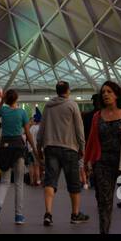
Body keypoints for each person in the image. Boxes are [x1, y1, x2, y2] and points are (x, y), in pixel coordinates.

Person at [84, 80, 121, 234]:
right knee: (104, 202)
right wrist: (86, 162)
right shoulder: (98, 116)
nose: (105, 94)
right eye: (103, 92)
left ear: (117, 95)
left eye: (109, 92)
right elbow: (92, 140)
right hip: (103, 165)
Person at [37, 80, 89, 226]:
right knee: (73, 183)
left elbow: (42, 128)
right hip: (69, 148)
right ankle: (75, 214)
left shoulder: (48, 106)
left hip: (50, 148)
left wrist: (39, 146)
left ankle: (48, 213)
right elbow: (79, 129)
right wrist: (82, 147)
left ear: (56, 90)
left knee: (50, 181)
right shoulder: (72, 105)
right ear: (68, 91)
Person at [0, 89, 33, 226]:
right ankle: (19, 216)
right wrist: (36, 151)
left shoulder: (3, 110)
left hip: (4, 148)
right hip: (18, 149)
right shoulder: (22, 112)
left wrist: (1, 101)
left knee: (4, 181)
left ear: (6, 99)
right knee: (19, 183)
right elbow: (27, 132)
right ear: (17, 99)